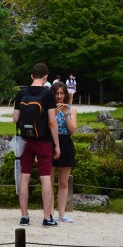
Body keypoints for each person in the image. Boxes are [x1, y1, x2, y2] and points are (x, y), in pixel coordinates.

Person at [13, 63, 60, 227]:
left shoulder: (21, 93)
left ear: (32, 76)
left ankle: (24, 216)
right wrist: (57, 145)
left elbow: (15, 118)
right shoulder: (48, 95)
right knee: (45, 177)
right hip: (44, 140)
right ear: (46, 77)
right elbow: (52, 122)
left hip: (25, 140)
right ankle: (47, 217)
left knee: (25, 176)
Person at [51, 81, 78, 223]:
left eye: (62, 94)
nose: (59, 96)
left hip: (66, 143)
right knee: (48, 181)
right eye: (56, 94)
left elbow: (73, 130)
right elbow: (45, 127)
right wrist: (54, 112)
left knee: (63, 182)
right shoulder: (48, 108)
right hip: (50, 143)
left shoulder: (71, 109)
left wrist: (66, 115)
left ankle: (61, 213)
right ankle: (49, 213)